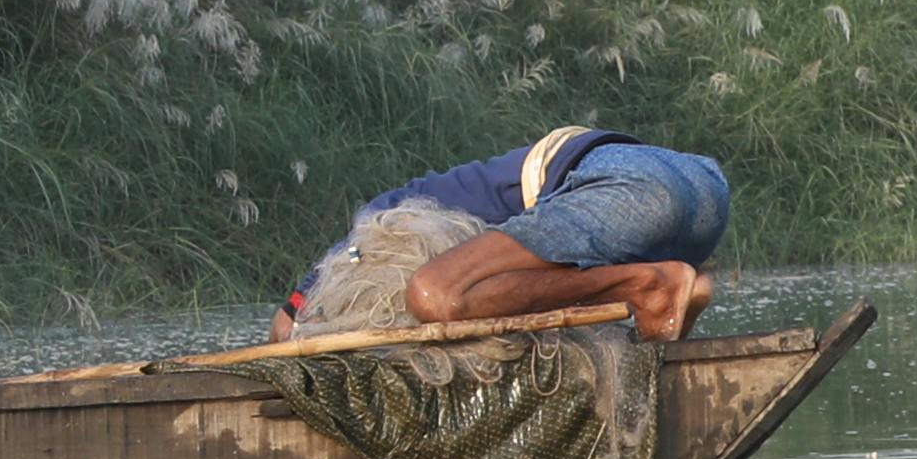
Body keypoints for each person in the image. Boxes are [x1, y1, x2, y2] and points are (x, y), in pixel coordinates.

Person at [275, 124, 729, 344]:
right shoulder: (513, 230)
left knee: (435, 295)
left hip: (627, 185)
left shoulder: (400, 214)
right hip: (705, 190)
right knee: (506, 294)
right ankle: (678, 291)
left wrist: (294, 313)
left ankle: (648, 288)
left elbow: (288, 323)